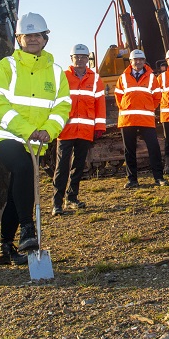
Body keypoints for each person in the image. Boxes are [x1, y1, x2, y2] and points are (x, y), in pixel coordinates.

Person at [0, 12, 72, 265]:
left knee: (18, 190)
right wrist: (26, 130)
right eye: (28, 35)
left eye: (37, 35)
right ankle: (27, 228)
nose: (33, 39)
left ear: (45, 39)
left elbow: (63, 107)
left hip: (36, 140)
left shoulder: (56, 73)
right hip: (5, 136)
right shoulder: (5, 67)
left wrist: (48, 130)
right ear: (19, 39)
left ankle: (4, 248)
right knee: (23, 168)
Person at [52, 43, 106, 214]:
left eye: (84, 57)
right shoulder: (62, 77)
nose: (81, 60)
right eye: (77, 57)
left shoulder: (95, 79)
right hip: (65, 130)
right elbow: (54, 102)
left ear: (87, 59)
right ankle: (57, 203)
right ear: (71, 59)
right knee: (62, 167)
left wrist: (99, 126)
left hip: (85, 130)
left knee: (78, 166)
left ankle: (71, 198)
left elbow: (100, 105)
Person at [115, 49, 167, 188]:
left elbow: (157, 97)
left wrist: (148, 107)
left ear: (144, 62)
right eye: (135, 60)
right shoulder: (123, 78)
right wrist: (127, 107)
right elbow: (118, 97)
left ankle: (159, 178)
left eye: (140, 60)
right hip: (128, 119)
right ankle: (132, 180)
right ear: (130, 62)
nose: (138, 62)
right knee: (129, 150)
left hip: (146, 119)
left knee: (154, 148)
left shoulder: (151, 78)